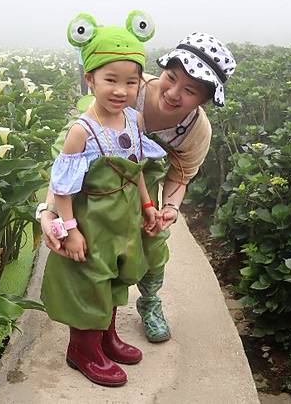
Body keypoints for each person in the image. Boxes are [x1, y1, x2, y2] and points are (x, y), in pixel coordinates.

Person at [38, 29, 237, 345]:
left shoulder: (197, 130)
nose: (173, 93)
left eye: (190, 91)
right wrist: (50, 211)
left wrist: (167, 208)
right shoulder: (127, 86)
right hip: (95, 188)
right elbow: (68, 156)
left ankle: (150, 301)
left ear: (205, 100)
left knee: (153, 247)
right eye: (171, 78)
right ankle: (90, 336)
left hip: (141, 188)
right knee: (96, 255)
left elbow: (180, 176)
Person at [41, 11, 168, 387]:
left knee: (118, 273)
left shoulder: (132, 119)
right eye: (110, 79)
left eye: (131, 81)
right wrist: (70, 229)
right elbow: (63, 187)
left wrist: (147, 206)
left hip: (124, 216)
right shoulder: (82, 131)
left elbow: (136, 168)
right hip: (92, 217)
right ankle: (83, 349)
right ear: (90, 78)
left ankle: (107, 337)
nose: (121, 90)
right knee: (90, 280)